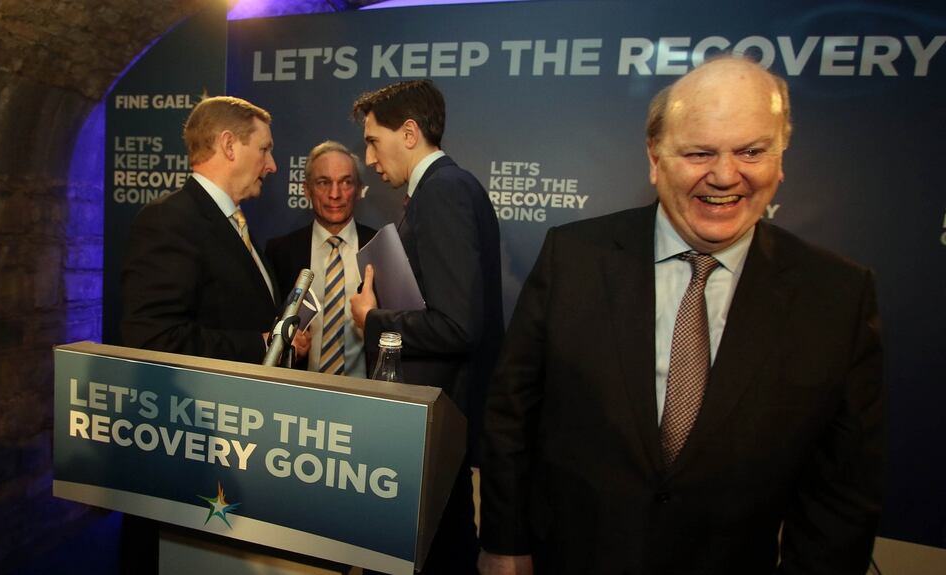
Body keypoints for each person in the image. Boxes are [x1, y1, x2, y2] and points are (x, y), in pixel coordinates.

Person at [479, 56, 884, 575]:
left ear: (781, 158)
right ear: (655, 158)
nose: (724, 174)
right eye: (698, 152)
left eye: (752, 151)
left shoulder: (838, 296)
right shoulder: (573, 257)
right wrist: (505, 544)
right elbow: (512, 415)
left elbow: (843, 492)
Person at [349, 79, 504, 575]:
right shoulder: (440, 191)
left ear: (410, 132)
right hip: (437, 418)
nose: (368, 158)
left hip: (440, 418)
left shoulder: (443, 192)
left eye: (373, 140)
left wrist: (371, 320)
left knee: (440, 554)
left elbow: (458, 326)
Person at [121, 95, 308, 364]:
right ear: (229, 145)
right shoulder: (168, 220)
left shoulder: (232, 220)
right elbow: (154, 338)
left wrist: (279, 340)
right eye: (264, 149)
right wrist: (261, 343)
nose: (272, 165)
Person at [265, 141, 376, 377]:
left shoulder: (380, 249)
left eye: (346, 182)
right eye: (323, 183)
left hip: (367, 398)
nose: (334, 194)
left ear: (358, 189)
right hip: (297, 396)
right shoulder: (280, 252)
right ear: (306, 189)